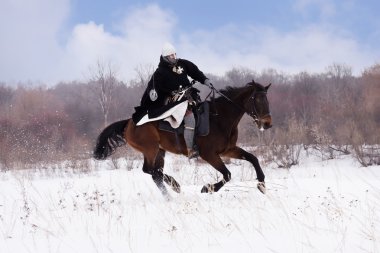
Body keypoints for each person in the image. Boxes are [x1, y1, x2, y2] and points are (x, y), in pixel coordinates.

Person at [137, 42, 212, 158]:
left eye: (174, 54)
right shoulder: (160, 72)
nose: (174, 57)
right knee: (190, 118)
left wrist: (205, 80)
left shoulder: (182, 63)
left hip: (189, 96)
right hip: (174, 101)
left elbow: (195, 72)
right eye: (171, 56)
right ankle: (190, 149)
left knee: (204, 111)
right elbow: (152, 85)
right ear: (166, 57)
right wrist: (152, 92)